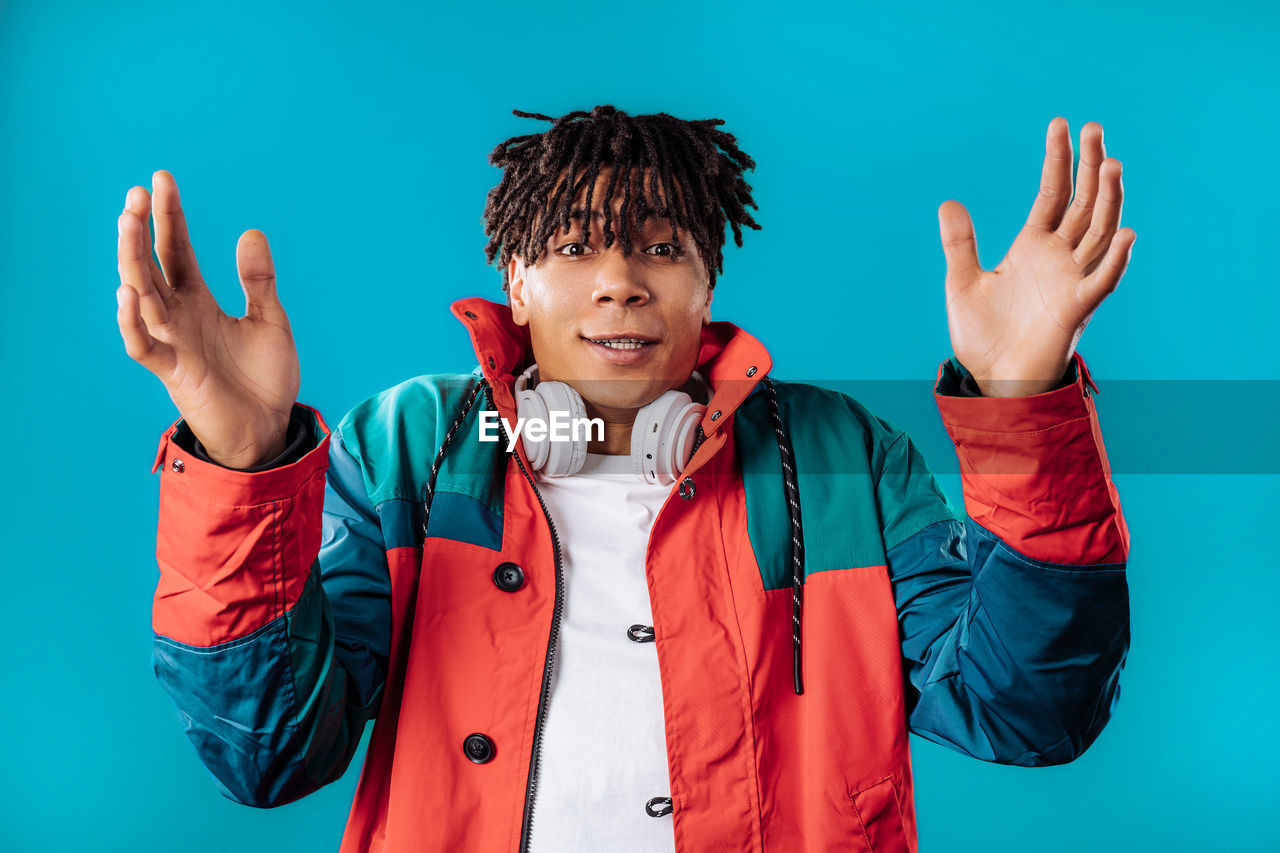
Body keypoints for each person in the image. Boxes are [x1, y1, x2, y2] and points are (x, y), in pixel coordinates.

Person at [117, 105, 1134, 852]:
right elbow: (270, 757)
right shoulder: (410, 446)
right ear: (514, 279)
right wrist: (243, 465)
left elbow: (1025, 714)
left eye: (660, 245)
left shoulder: (836, 456)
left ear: (706, 280)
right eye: (573, 247)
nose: (618, 278)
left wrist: (1022, 402)